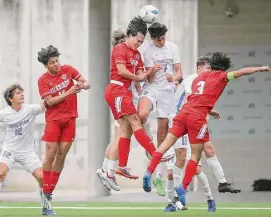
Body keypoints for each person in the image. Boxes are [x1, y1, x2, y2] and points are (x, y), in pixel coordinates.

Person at [142, 52, 269, 207]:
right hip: (197, 118)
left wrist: (209, 109)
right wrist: (260, 68)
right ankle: (183, 187)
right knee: (196, 155)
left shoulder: (198, 78)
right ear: (223, 68)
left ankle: (149, 172)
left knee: (164, 145)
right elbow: (242, 72)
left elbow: (194, 98)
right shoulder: (222, 76)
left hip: (183, 114)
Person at [103, 17, 168, 190]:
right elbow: (122, 71)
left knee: (126, 130)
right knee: (135, 122)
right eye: (137, 40)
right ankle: (156, 155)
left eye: (141, 41)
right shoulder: (120, 48)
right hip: (117, 90)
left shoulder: (137, 54)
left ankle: (119, 168)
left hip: (125, 92)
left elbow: (140, 73)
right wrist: (139, 77)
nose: (139, 44)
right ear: (130, 35)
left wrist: (150, 70)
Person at [37, 45, 90, 215]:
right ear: (46, 65)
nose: (57, 64)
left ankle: (47, 193)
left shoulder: (68, 70)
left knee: (62, 155)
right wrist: (69, 92)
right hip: (53, 120)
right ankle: (46, 192)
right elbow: (50, 102)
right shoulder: (43, 80)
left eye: (57, 60)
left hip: (70, 119)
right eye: (52, 62)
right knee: (50, 155)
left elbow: (86, 82)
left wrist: (83, 85)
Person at [137, 22, 182, 196]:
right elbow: (148, 79)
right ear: (152, 38)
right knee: (141, 115)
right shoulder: (147, 51)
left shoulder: (172, 47)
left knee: (163, 134)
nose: (162, 41)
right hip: (153, 88)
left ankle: (157, 172)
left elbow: (179, 72)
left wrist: (174, 77)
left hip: (167, 92)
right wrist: (152, 71)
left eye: (163, 38)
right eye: (158, 39)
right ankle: (148, 144)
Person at [0, 84, 48, 214]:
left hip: (27, 152)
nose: (21, 94)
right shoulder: (4, 114)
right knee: (1, 174)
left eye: (22, 92)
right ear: (10, 99)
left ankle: (45, 205)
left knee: (43, 178)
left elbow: (45, 105)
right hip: (9, 150)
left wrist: (49, 97)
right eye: (17, 93)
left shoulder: (30, 109)